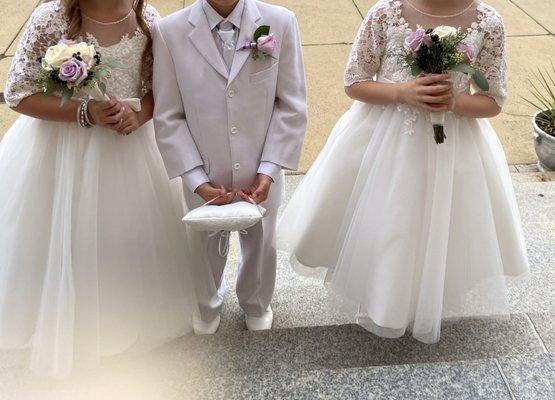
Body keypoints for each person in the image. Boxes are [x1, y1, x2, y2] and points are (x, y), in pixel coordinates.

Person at [278, 0, 530, 343]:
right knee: (387, 218)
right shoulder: (386, 12)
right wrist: (402, 91)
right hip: (384, 136)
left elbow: (493, 100)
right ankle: (380, 295)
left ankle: (430, 293)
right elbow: (355, 81)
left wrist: (454, 101)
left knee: (441, 220)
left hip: (453, 143)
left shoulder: (488, 22)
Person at [0, 0, 196, 378]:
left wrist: (139, 115)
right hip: (62, 151)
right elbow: (18, 93)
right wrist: (83, 112)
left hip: (131, 147)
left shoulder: (147, 18)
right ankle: (64, 320)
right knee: (65, 235)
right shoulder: (52, 17)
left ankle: (122, 317)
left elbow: (161, 88)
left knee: (123, 235)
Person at [153, 0, 307, 334]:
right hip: (203, 166)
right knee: (203, 241)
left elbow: (291, 105)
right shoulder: (170, 31)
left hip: (261, 164)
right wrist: (195, 177)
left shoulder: (280, 21)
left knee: (262, 239)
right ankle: (206, 304)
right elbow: (168, 115)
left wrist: (268, 169)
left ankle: (256, 301)